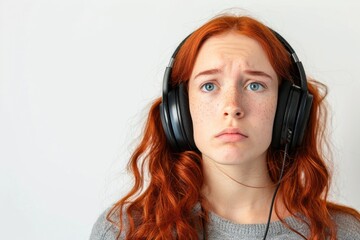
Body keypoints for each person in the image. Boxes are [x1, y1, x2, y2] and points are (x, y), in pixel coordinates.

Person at [90, 13, 360, 240]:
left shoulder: (343, 233)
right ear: (180, 111)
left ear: (288, 109)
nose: (232, 106)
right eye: (209, 86)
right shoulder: (124, 230)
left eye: (255, 85)